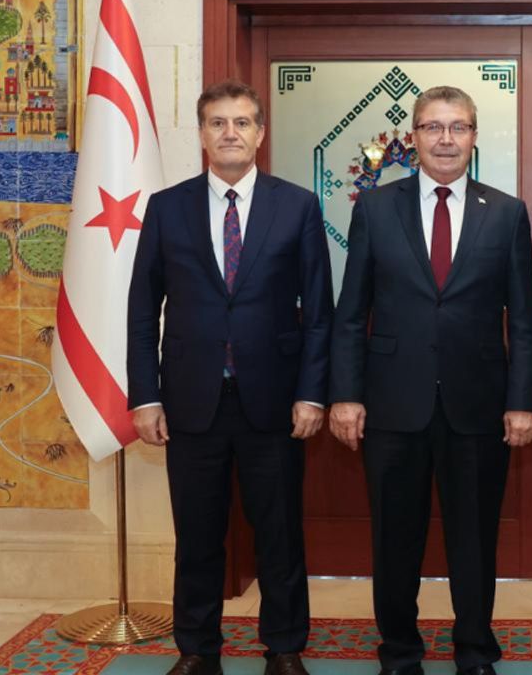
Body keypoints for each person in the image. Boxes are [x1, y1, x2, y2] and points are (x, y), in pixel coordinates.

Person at [328, 86, 532, 675]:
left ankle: (474, 648)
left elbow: (524, 320)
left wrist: (523, 401)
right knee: (395, 537)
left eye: (458, 127)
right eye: (432, 127)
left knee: (474, 538)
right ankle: (399, 651)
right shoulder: (375, 208)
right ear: (413, 137)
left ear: (473, 136)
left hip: (478, 404)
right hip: (391, 403)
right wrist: (345, 395)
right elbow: (351, 313)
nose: (445, 139)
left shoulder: (506, 212)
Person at [128, 78, 333, 675]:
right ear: (201, 134)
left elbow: (320, 312)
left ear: (260, 133)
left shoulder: (298, 205)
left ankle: (285, 648)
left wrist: (312, 392)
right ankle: (197, 650)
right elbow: (142, 310)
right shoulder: (167, 208)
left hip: (275, 400)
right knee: (196, 537)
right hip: (191, 401)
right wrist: (145, 396)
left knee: (280, 535)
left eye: (242, 122)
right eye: (217, 122)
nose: (230, 133)